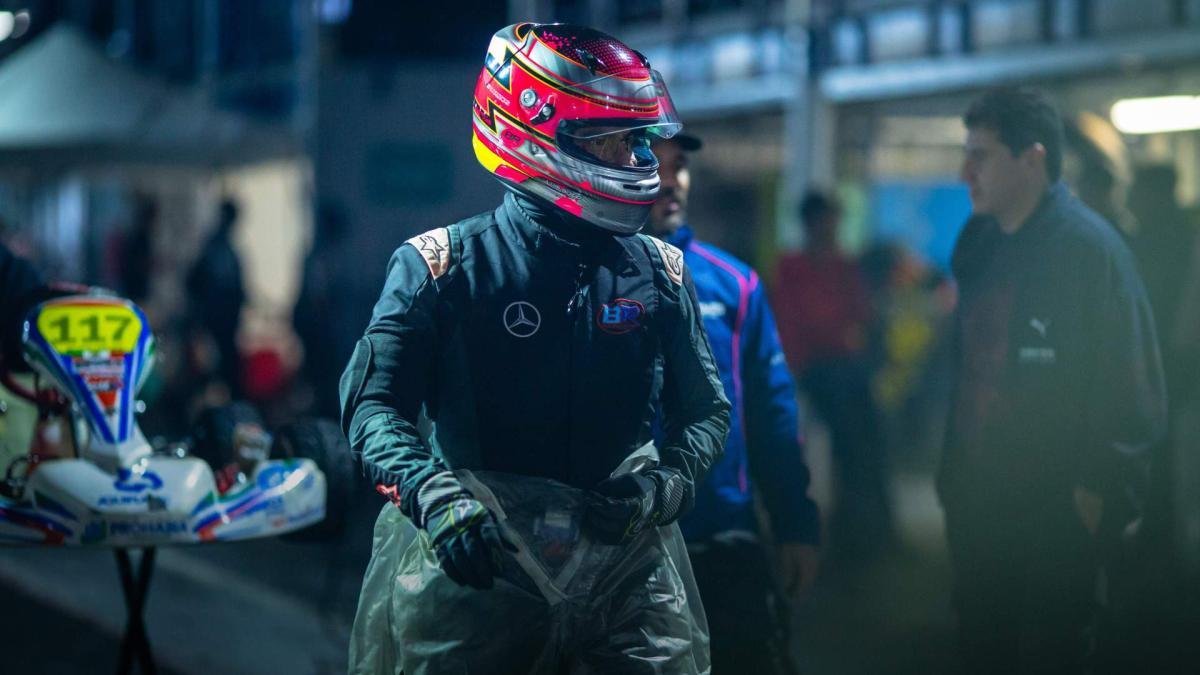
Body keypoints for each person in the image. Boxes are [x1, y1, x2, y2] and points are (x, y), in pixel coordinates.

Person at [340, 22, 730, 674]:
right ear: (533, 132)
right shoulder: (440, 266)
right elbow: (371, 406)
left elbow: (706, 411)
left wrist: (663, 487)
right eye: (609, 139)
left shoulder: (660, 272)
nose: (636, 158)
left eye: (637, 139)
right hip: (477, 566)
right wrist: (433, 495)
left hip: (626, 572)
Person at [941, 87, 1166, 674]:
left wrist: (1097, 496)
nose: (966, 173)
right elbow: (967, 371)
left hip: (1056, 516)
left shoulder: (1089, 253)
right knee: (982, 652)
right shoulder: (978, 242)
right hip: (979, 506)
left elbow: (1132, 384)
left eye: (981, 156)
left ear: (1032, 159)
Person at [647, 131, 819, 674]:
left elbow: (771, 414)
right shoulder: (589, 278)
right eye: (654, 164)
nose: (672, 181)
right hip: (621, 546)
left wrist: (795, 523)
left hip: (722, 537)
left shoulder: (734, 285)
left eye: (679, 165)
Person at [772, 190, 894, 559]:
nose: (831, 227)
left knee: (870, 437)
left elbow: (861, 316)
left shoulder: (843, 267)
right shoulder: (793, 268)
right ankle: (858, 536)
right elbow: (799, 326)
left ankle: (873, 533)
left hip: (845, 369)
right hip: (816, 370)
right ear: (811, 223)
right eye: (826, 220)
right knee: (855, 438)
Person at [185, 199, 247, 399]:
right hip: (215, 318)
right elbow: (198, 281)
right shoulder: (215, 247)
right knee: (212, 367)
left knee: (226, 366)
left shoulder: (224, 246)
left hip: (225, 318)